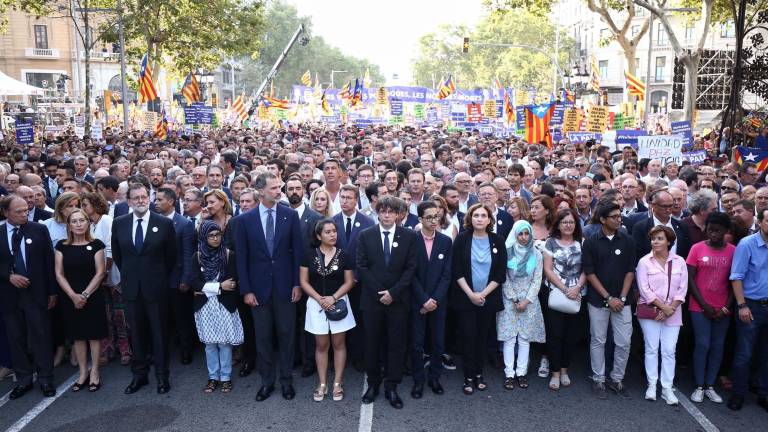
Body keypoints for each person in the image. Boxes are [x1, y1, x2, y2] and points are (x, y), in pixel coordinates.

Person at [236, 172, 304, 402]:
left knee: (287, 335)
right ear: (261, 190)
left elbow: (298, 254)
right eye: (274, 188)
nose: (279, 191)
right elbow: (241, 259)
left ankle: (286, 380)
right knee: (263, 337)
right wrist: (246, 290)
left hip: (286, 287)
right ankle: (267, 382)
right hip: (258, 289)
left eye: (279, 187)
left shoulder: (290, 215)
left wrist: (297, 283)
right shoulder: (244, 220)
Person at [112, 183, 178, 395]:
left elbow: (171, 257)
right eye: (136, 198)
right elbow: (119, 256)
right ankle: (139, 376)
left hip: (156, 289)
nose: (141, 201)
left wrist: (156, 278)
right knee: (136, 334)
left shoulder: (164, 223)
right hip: (132, 289)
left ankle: (161, 376)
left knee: (159, 334)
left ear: (148, 199)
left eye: (144, 197)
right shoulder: (119, 223)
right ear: (129, 201)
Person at [357, 196, 418, 409]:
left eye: (391, 211)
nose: (386, 215)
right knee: (372, 343)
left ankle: (392, 386)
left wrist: (393, 292)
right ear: (377, 212)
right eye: (382, 211)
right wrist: (380, 292)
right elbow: (361, 266)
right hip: (372, 302)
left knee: (396, 345)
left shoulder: (409, 236)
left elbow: (411, 268)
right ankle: (373, 384)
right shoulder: (366, 235)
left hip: (398, 301)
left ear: (398, 214)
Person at [0, 196, 57, 399]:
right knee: (16, 338)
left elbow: (49, 262)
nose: (25, 214)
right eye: (19, 211)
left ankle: (46, 378)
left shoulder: (38, 229)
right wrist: (8, 276)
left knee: (41, 335)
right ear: (6, 212)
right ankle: (23, 379)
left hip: (36, 293)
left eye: (26, 210)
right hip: (9, 295)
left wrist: (52, 292)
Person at [450, 203, 507, 396]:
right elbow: (456, 270)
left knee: (482, 337)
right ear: (470, 219)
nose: (480, 219)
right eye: (476, 215)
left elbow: (500, 274)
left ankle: (479, 374)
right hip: (466, 298)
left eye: (484, 215)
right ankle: (468, 376)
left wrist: (483, 294)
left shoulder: (497, 241)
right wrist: (471, 294)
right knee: (468, 337)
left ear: (489, 220)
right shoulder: (462, 240)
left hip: (488, 299)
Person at [583, 201, 636, 399]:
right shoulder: (591, 241)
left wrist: (621, 297)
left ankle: (617, 378)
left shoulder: (627, 240)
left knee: (624, 342)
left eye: (619, 215)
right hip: (598, 300)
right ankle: (598, 379)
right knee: (598, 340)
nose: (619, 219)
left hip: (623, 301)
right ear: (603, 219)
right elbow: (589, 272)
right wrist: (608, 297)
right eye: (614, 217)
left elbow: (631, 270)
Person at [299, 218, 356, 402]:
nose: (333, 234)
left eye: (334, 231)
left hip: (338, 303)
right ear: (318, 235)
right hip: (316, 305)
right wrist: (319, 299)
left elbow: (349, 282)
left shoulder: (344, 255)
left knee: (339, 344)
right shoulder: (308, 255)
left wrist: (333, 298)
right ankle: (322, 383)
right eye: (328, 232)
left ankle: (337, 382)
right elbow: (303, 281)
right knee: (321, 346)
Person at [54, 209, 107, 392]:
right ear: (68, 225)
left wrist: (84, 295)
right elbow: (59, 273)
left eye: (81, 220)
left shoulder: (97, 244)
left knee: (93, 335)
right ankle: (83, 372)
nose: (78, 224)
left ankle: (95, 372)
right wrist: (72, 296)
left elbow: (100, 272)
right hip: (70, 297)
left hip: (91, 296)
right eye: (74, 221)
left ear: (88, 223)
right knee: (77, 336)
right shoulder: (61, 246)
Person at [635, 226, 688, 405]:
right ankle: (651, 384)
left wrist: (669, 309)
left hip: (673, 312)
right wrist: (662, 308)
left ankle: (667, 387)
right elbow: (644, 289)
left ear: (669, 242)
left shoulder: (680, 261)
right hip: (651, 311)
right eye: (653, 239)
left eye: (659, 238)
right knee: (651, 348)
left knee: (669, 350)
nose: (655, 242)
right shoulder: (644, 262)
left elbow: (682, 289)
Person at [686, 212, 734, 404]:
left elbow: (735, 281)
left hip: (723, 307)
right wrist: (704, 305)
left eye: (718, 230)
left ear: (726, 231)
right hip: (699, 306)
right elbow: (690, 279)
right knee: (703, 344)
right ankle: (699, 386)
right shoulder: (696, 249)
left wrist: (726, 307)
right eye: (710, 229)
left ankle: (711, 385)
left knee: (717, 346)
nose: (713, 233)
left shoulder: (733, 251)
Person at [191, 220, 243, 394]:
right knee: (210, 344)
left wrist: (206, 289)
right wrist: (219, 287)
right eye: (211, 235)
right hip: (205, 307)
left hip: (224, 306)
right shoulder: (197, 256)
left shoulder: (229, 255)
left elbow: (233, 283)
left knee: (224, 343)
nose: (215, 238)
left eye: (218, 234)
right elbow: (194, 283)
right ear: (203, 237)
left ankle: (226, 377)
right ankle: (213, 377)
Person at [409, 201, 452, 399]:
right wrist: (424, 300)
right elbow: (410, 274)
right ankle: (418, 380)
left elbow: (446, 275)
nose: (434, 220)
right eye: (429, 217)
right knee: (416, 344)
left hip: (438, 303)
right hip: (417, 302)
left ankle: (434, 377)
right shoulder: (411, 240)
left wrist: (434, 299)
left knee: (438, 343)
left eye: (436, 216)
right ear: (420, 219)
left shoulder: (445, 241)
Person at [727, 207, 768, 411]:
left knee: (766, 353)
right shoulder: (747, 244)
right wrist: (741, 305)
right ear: (759, 222)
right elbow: (736, 276)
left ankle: (763, 393)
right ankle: (738, 393)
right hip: (750, 306)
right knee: (744, 353)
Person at [497, 220, 544, 390]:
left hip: (530, 300)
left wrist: (526, 300)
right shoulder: (507, 252)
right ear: (515, 234)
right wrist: (515, 299)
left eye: (527, 233)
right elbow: (504, 277)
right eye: (520, 234)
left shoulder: (536, 254)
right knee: (509, 338)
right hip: (509, 298)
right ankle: (509, 374)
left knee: (525, 338)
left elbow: (537, 279)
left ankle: (521, 373)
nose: (524, 237)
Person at [542, 209, 585, 390]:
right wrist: (565, 289)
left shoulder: (583, 243)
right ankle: (555, 372)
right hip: (555, 293)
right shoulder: (550, 243)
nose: (568, 225)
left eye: (571, 222)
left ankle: (565, 369)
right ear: (558, 224)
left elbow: (587, 269)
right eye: (564, 222)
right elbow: (548, 269)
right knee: (555, 335)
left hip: (577, 294)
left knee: (571, 336)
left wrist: (577, 288)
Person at [156, 187, 196, 365]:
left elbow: (188, 254)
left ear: (171, 202)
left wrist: (186, 278)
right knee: (160, 318)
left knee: (182, 318)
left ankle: (186, 350)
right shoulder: (153, 221)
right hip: (157, 279)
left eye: (159, 200)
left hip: (177, 279)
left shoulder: (184, 224)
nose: (155, 203)